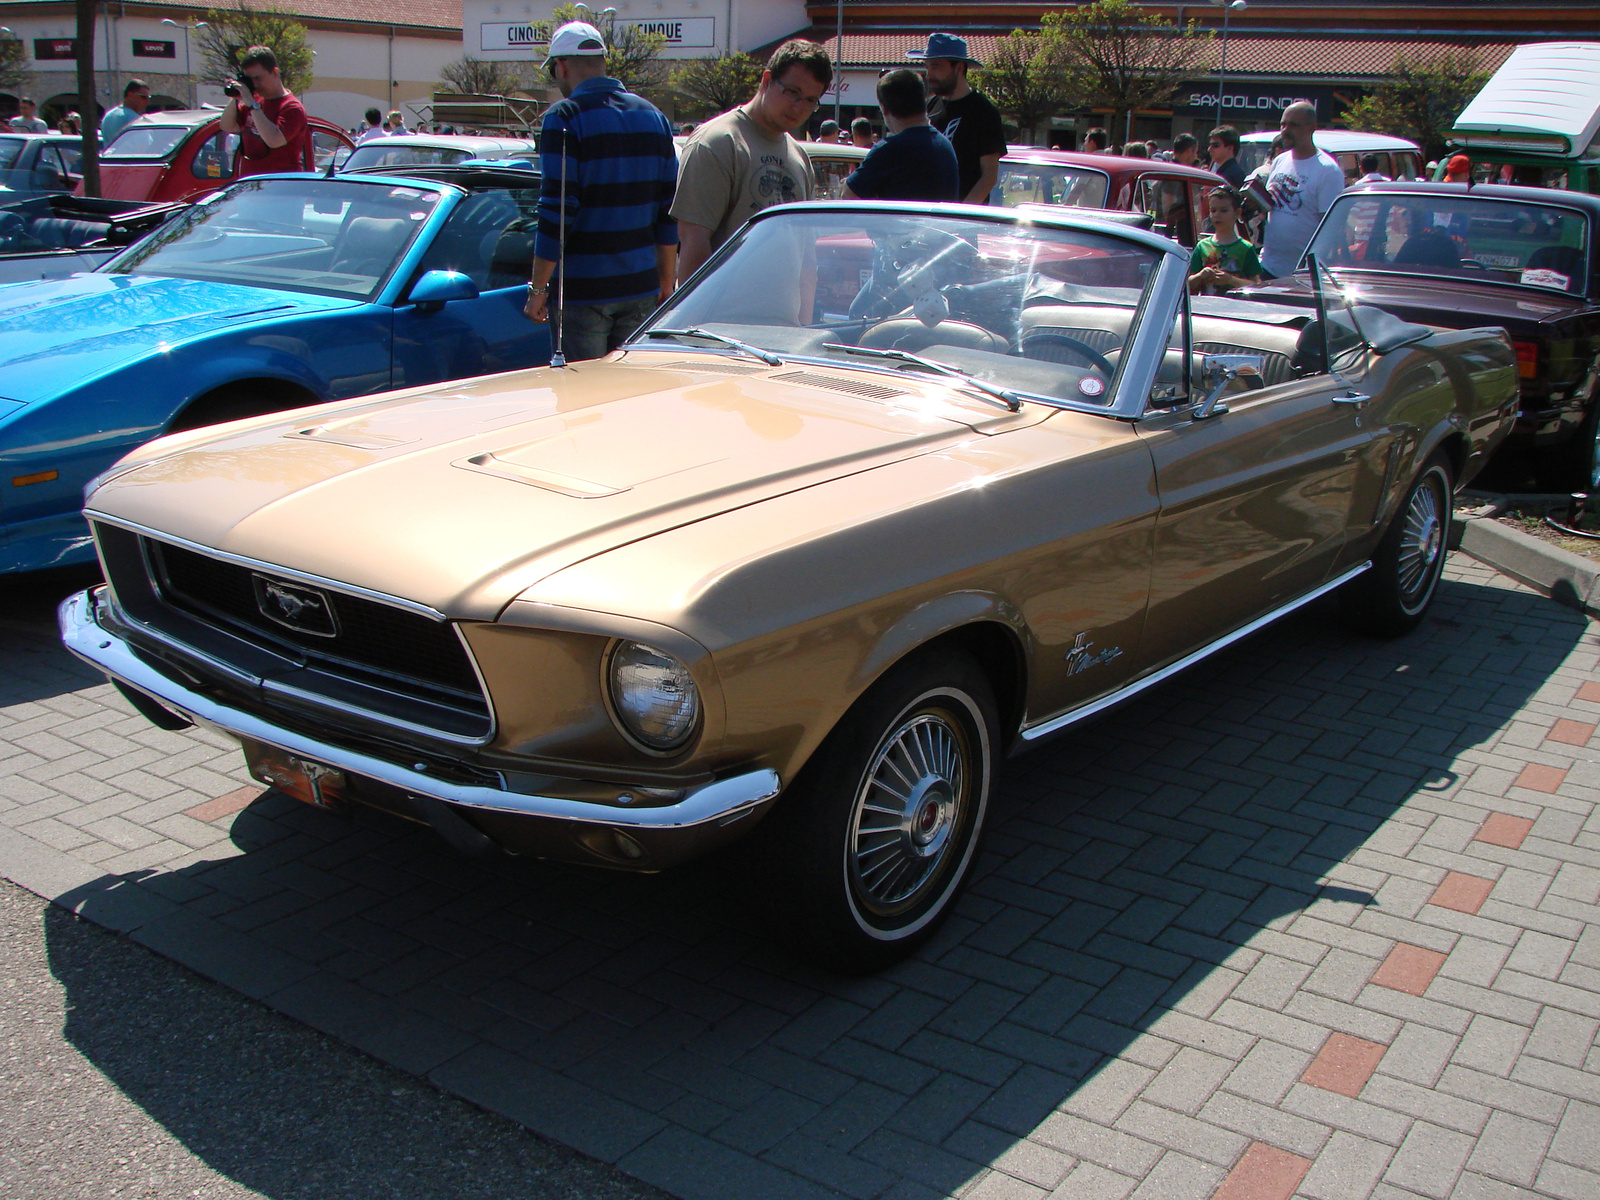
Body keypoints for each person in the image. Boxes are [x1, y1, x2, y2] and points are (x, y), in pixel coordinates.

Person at [523, 20, 678, 362]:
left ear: (560, 66)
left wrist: (538, 290)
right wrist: (667, 282)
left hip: (583, 291)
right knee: (627, 400)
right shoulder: (654, 117)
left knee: (583, 406)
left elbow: (557, 209)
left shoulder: (564, 117)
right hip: (641, 286)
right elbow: (668, 211)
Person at [672, 39, 831, 283]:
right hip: (724, 316)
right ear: (767, 81)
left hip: (781, 319)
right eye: (793, 92)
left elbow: (806, 255)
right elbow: (694, 239)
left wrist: (802, 318)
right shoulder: (717, 142)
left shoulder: (799, 156)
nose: (799, 107)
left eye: (811, 100)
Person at [1249, 101, 1344, 278]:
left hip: (1303, 272)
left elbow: (1330, 228)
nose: (1285, 130)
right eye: (1283, 124)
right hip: (1269, 265)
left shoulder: (1327, 170)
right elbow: (1272, 206)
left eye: (1293, 125)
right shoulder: (1280, 161)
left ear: (1311, 128)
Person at [911, 32, 1005, 205]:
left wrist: (958, 215)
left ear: (959, 68)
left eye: (936, 66)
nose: (929, 74)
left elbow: (989, 177)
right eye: (927, 66)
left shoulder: (984, 111)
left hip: (961, 223)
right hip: (925, 217)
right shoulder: (928, 106)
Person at [842, 68, 957, 202]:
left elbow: (848, 196)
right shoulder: (945, 146)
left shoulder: (889, 150)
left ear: (884, 109)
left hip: (899, 223)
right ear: (922, 103)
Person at [220, 46, 311, 176]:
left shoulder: (292, 107)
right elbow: (227, 126)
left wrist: (252, 104)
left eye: (258, 78)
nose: (255, 84)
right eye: (250, 80)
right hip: (251, 183)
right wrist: (237, 97)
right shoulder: (254, 101)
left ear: (275, 73)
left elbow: (274, 140)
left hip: (280, 184)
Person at [1188, 187, 1262, 294]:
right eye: (1213, 210)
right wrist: (1200, 276)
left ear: (1237, 213)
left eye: (1224, 210)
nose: (1217, 215)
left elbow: (1256, 285)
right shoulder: (1202, 246)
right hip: (1206, 308)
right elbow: (1187, 284)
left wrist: (1231, 280)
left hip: (1234, 308)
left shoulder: (1246, 248)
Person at [1207, 125, 1246, 190]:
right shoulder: (1225, 172)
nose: (1209, 149)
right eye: (1210, 145)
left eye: (1215, 145)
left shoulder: (1234, 175)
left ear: (1230, 148)